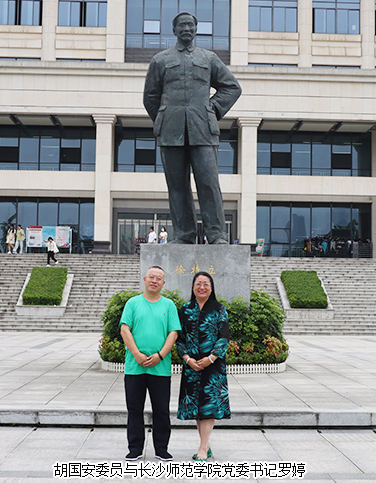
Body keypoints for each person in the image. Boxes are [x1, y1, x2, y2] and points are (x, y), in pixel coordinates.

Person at [143, 12, 241, 245]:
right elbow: (150, 97)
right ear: (174, 30)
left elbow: (232, 87)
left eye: (190, 25)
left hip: (202, 130)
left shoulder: (209, 58)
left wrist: (212, 109)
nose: (186, 28)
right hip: (171, 132)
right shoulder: (160, 60)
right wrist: (164, 119)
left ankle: (216, 235)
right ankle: (184, 235)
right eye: (182, 25)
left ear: (196, 30)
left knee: (209, 183)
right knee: (177, 186)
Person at [120, 266, 181, 462]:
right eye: (151, 277)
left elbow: (173, 333)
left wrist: (160, 355)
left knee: (161, 410)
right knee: (134, 409)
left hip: (160, 368)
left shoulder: (169, 305)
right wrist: (136, 354)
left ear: (164, 283)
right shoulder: (133, 303)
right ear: (145, 279)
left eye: (159, 278)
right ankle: (135, 448)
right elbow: (125, 330)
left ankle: (161, 449)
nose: (154, 280)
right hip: (134, 367)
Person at [176, 271, 230, 462]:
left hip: (213, 366)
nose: (202, 287)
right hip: (191, 365)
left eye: (206, 284)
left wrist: (211, 358)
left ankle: (202, 448)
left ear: (211, 287)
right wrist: (187, 359)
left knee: (208, 406)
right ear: (193, 287)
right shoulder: (185, 309)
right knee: (198, 407)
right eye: (198, 283)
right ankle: (205, 445)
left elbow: (224, 337)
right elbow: (179, 338)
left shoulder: (219, 309)